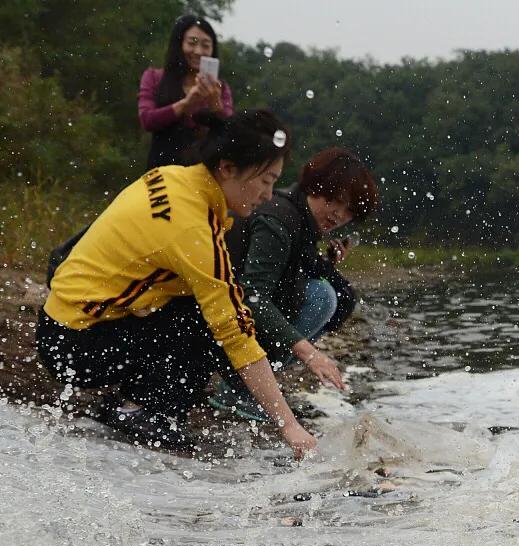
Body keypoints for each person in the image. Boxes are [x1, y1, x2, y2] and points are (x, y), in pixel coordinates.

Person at [37, 109, 317, 459]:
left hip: (63, 321)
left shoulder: (172, 177)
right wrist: (287, 426)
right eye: (265, 180)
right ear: (227, 169)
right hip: (74, 348)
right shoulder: (191, 229)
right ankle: (140, 410)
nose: (268, 194)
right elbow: (236, 334)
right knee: (214, 323)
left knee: (208, 307)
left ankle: (137, 399)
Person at [210, 147, 380, 420]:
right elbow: (251, 296)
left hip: (236, 329)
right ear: (316, 186)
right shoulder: (278, 218)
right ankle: (240, 388)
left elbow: (295, 271)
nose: (338, 214)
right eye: (334, 201)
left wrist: (328, 263)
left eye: (349, 211)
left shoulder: (301, 218)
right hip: (215, 328)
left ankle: (252, 386)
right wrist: (309, 353)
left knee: (336, 293)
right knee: (322, 297)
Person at [138, 15, 233, 170]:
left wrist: (215, 103)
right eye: (192, 43)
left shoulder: (220, 88)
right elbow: (147, 120)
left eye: (206, 45)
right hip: (161, 169)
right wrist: (186, 103)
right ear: (179, 43)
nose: (198, 51)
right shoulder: (154, 77)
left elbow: (230, 133)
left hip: (202, 171)